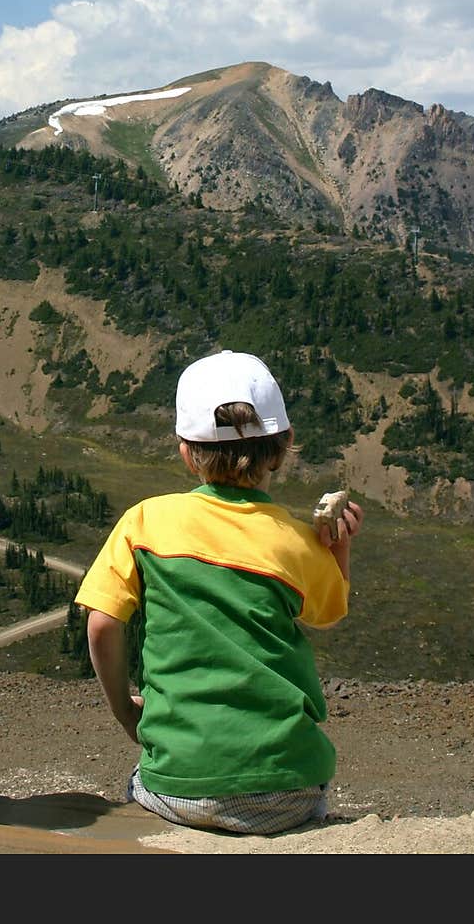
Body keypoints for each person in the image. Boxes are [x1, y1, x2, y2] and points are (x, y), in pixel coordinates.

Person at [75, 348, 363, 835]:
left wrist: (126, 711)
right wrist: (338, 549)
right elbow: (328, 613)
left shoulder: (145, 521)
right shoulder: (295, 540)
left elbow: (102, 622)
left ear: (186, 450)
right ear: (285, 442)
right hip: (287, 788)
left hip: (177, 785)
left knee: (143, 789)